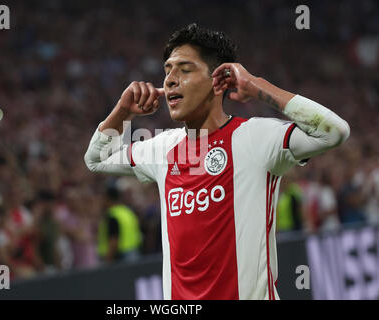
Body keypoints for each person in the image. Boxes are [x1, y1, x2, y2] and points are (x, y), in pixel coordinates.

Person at [84, 24, 350, 299]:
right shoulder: (164, 147)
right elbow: (96, 159)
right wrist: (123, 113)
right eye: (167, 71)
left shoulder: (255, 138)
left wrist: (257, 86)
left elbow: (333, 131)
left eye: (185, 70)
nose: (170, 80)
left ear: (219, 79)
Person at [97, 181, 142, 263]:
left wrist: (107, 262)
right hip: (134, 254)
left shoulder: (113, 215)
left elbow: (113, 241)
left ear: (108, 198)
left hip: (120, 258)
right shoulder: (127, 212)